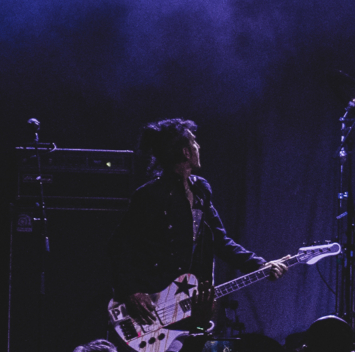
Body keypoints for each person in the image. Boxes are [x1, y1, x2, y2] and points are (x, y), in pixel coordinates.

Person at [108, 118, 285, 331]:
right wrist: (132, 292)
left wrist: (259, 264)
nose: (198, 147)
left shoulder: (200, 190)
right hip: (153, 305)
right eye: (194, 142)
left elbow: (220, 240)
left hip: (188, 302)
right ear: (185, 152)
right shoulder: (149, 196)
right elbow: (119, 247)